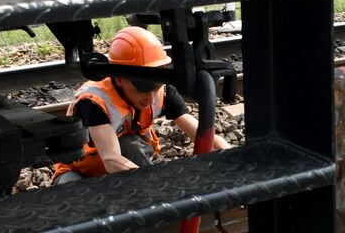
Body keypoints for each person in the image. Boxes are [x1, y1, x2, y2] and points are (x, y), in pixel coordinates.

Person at [53, 26, 229, 184]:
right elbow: (111, 159)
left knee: (132, 146)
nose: (151, 97)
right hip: (80, 171)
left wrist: (232, 158)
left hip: (127, 165)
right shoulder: (94, 101)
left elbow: (204, 135)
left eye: (155, 86)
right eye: (143, 88)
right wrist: (157, 184)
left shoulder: (163, 92)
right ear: (120, 79)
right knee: (72, 193)